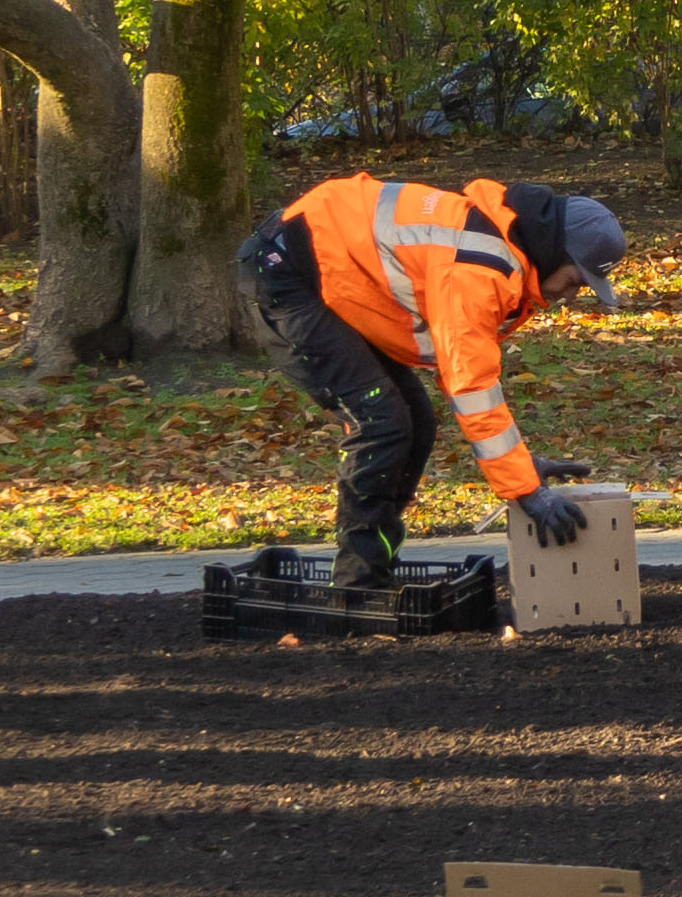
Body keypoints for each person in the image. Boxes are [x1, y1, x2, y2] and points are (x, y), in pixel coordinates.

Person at [240, 173, 621, 588]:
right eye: (575, 280)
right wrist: (524, 489)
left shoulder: (504, 253)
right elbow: (470, 385)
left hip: (329, 271)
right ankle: (357, 586)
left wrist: (520, 467)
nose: (571, 294)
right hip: (290, 274)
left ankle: (372, 566)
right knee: (381, 424)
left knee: (415, 423)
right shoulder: (480, 268)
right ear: (554, 252)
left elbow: (460, 363)